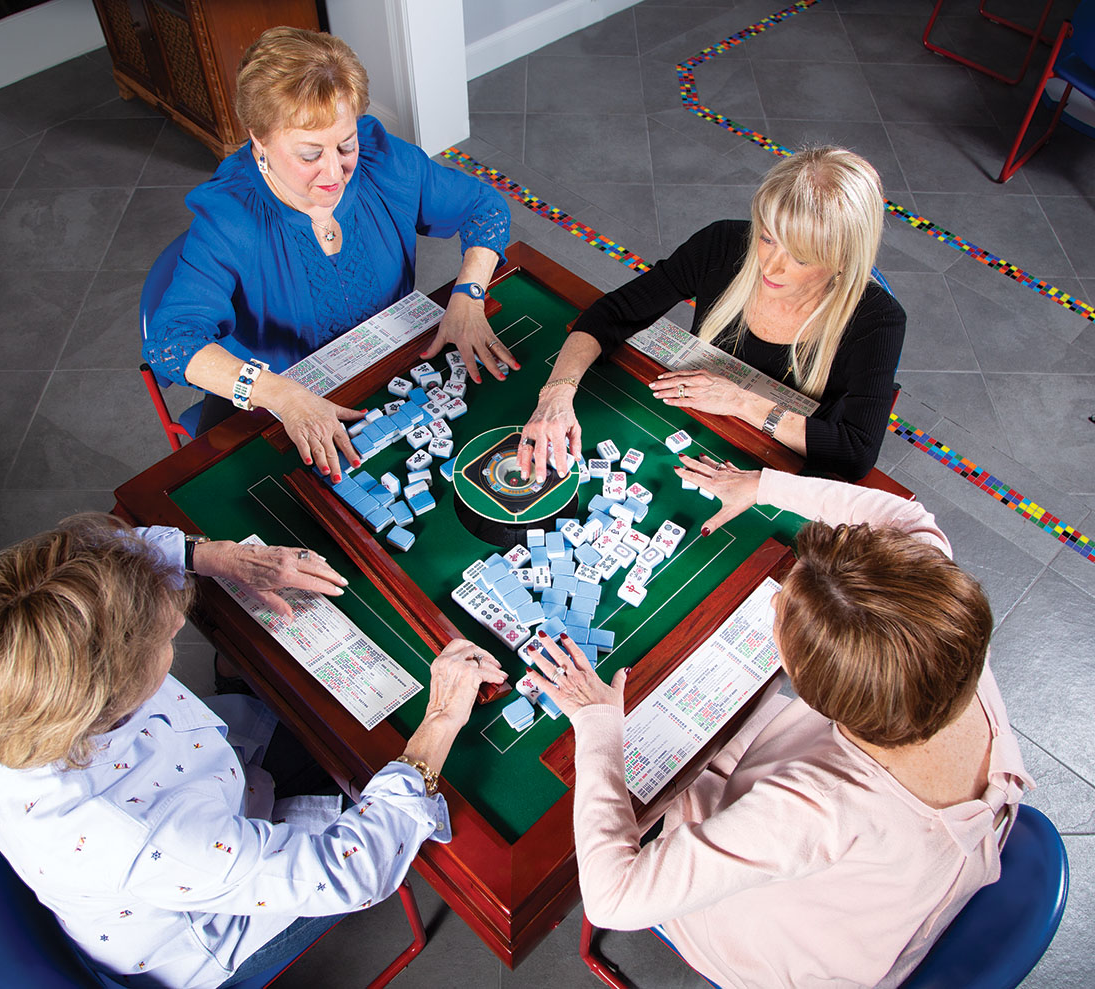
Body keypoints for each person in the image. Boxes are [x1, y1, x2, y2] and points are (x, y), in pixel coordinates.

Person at [0, 514, 506, 988]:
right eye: (166, 640)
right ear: (115, 694)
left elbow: (96, 561)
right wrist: (440, 718)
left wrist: (212, 556)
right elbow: (353, 873)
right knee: (426, 825)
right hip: (202, 935)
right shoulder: (140, 835)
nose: (177, 631)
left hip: (202, 792)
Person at [528, 460, 1030, 989]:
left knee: (660, 777)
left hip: (800, 951)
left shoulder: (819, 806)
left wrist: (595, 722)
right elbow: (904, 515)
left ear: (821, 698)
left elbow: (614, 898)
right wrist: (763, 485)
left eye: (780, 616)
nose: (774, 603)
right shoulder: (941, 627)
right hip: (923, 864)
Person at [143, 27, 514, 482]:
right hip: (275, 403)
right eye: (309, 154)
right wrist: (281, 394)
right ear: (259, 139)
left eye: (345, 145)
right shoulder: (229, 217)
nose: (334, 173)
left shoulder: (382, 159)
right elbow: (170, 343)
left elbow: (484, 207)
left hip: (384, 368)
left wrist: (469, 294)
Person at [519, 147, 904, 483]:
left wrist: (739, 401)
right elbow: (615, 311)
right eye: (767, 238)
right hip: (695, 424)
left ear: (842, 260)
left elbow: (855, 453)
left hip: (777, 461)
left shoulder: (877, 319)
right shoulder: (722, 244)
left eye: (800, 257)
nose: (770, 267)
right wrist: (556, 393)